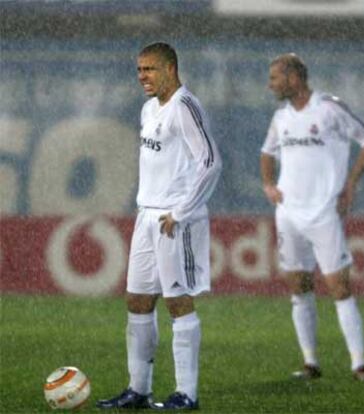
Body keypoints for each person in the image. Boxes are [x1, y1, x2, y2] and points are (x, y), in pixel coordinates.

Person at [96, 42, 222, 410]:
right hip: (147, 214)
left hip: (174, 219)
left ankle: (188, 393)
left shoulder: (185, 106)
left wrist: (181, 211)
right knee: (137, 300)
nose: (142, 77)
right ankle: (139, 389)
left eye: (149, 69)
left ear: (170, 69)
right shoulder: (149, 108)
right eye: (139, 70)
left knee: (178, 302)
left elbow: (211, 163)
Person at [260, 53, 364, 381]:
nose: (271, 84)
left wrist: (350, 183)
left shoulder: (329, 108)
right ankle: (311, 362)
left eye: (275, 78)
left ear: (294, 78)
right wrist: (269, 184)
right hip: (288, 214)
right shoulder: (281, 117)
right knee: (299, 287)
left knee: (338, 286)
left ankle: (359, 364)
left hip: (324, 212)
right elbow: (267, 152)